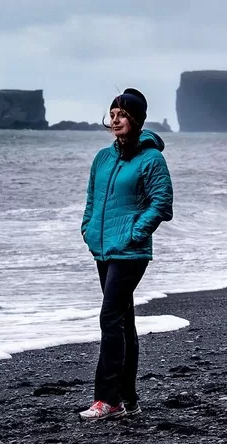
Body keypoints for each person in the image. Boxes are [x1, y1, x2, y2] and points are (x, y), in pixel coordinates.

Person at [79, 88, 174, 420]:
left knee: (109, 318)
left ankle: (108, 399)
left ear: (136, 120)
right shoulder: (102, 159)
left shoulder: (151, 159)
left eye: (122, 115)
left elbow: (161, 204)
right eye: (112, 114)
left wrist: (135, 233)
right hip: (103, 249)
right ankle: (129, 399)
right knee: (123, 321)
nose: (115, 120)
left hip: (130, 253)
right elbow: (92, 200)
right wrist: (88, 228)